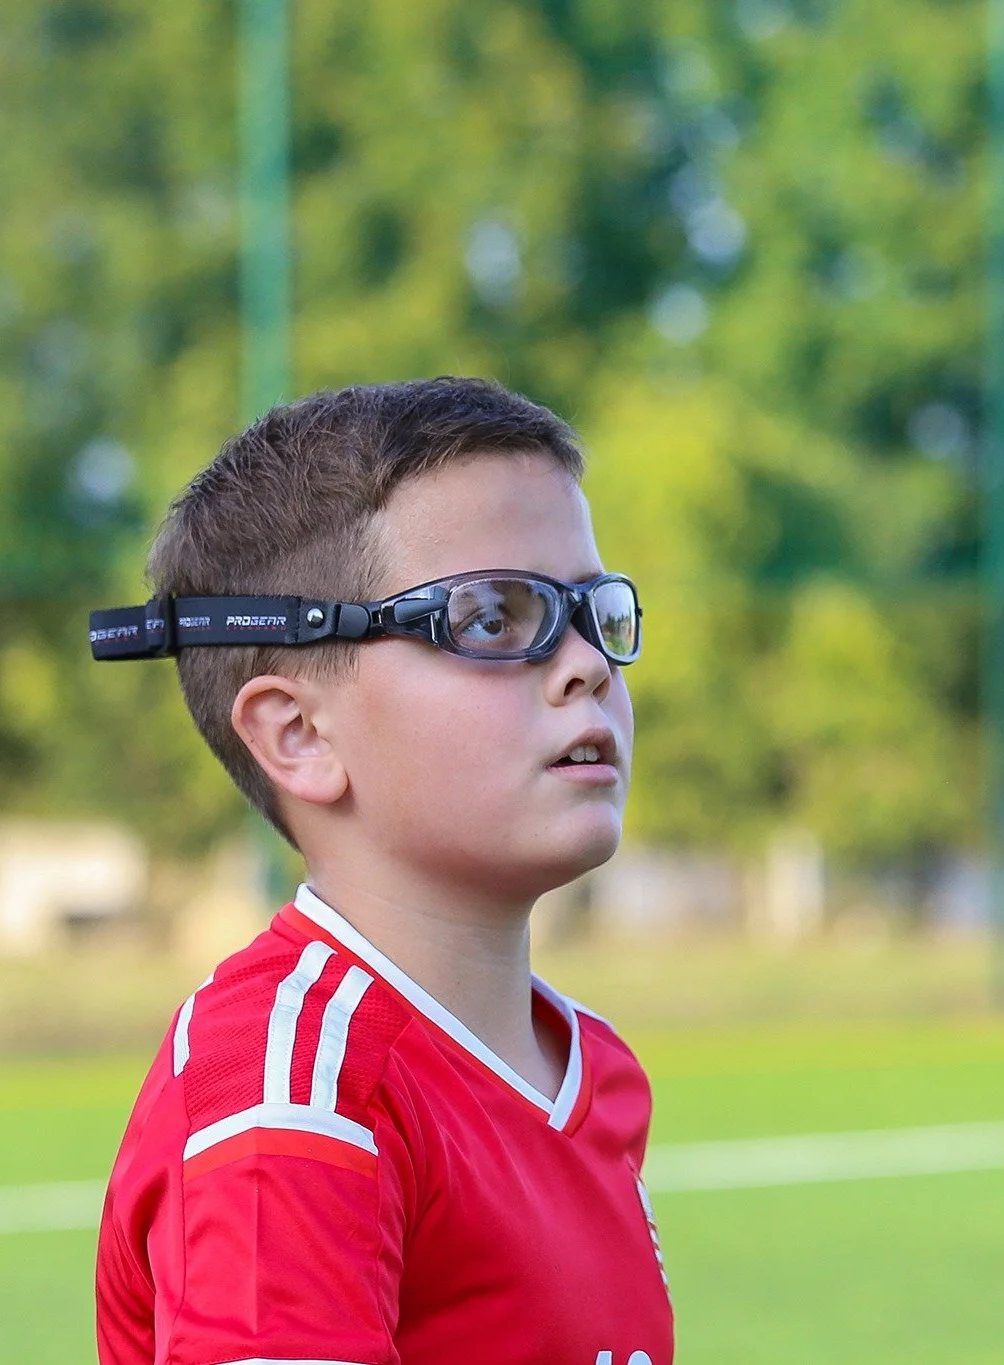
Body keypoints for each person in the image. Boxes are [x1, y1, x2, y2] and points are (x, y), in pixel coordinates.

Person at [90, 377, 672, 1365]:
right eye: (494, 616)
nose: (586, 664)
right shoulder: (295, 1087)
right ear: (299, 735)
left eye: (593, 610)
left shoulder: (595, 1068)